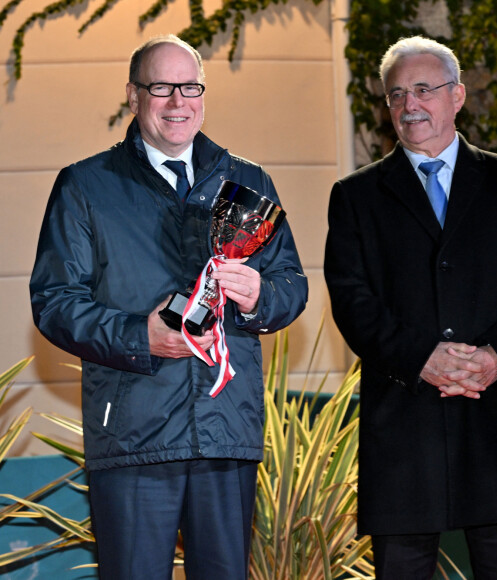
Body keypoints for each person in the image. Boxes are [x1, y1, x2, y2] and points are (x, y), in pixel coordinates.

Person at [30, 34, 307, 580]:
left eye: (190, 86)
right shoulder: (86, 185)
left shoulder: (247, 180)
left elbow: (290, 283)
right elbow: (55, 302)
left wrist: (260, 298)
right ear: (133, 96)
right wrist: (142, 336)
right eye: (161, 87)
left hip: (226, 431)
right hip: (134, 433)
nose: (178, 101)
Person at [324, 36, 497, 580]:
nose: (410, 105)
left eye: (424, 90)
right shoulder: (355, 195)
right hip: (405, 427)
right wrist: (422, 359)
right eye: (397, 94)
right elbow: (352, 298)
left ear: (456, 96)